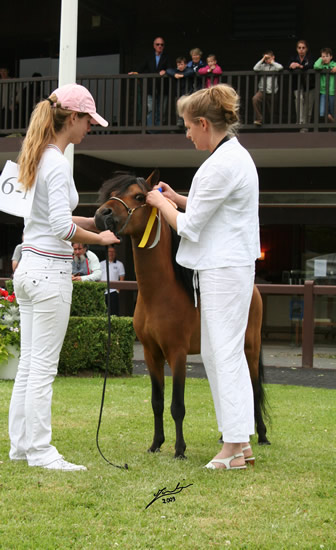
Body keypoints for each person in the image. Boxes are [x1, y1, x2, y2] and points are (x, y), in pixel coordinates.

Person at [146, 84, 260, 470]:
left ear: (202, 123)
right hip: (229, 265)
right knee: (222, 352)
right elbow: (209, 209)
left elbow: (190, 226)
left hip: (223, 268)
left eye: (187, 127)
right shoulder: (231, 157)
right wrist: (177, 198)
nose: (186, 134)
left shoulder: (222, 163)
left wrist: (160, 203)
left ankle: (232, 445)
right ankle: (241, 442)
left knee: (222, 353)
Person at [9, 83, 120, 471]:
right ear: (72, 118)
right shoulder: (56, 162)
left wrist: (90, 220)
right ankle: (41, 451)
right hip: (49, 272)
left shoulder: (37, 157)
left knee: (28, 365)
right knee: (42, 367)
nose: (90, 127)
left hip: (28, 270)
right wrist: (99, 236)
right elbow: (58, 225)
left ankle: (21, 446)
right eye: (88, 120)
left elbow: (44, 219)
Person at [129, 37, 170, 127]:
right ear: (154, 46)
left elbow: (171, 68)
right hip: (151, 88)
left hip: (163, 88)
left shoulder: (167, 57)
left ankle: (159, 129)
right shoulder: (149, 57)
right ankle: (151, 129)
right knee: (151, 109)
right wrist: (135, 72)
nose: (160, 46)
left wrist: (166, 71)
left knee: (161, 110)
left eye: (162, 45)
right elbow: (141, 67)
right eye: (157, 44)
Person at [287, 40, 315, 131]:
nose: (301, 50)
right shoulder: (294, 58)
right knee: (299, 100)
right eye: (299, 48)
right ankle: (300, 122)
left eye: (303, 48)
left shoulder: (310, 57)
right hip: (297, 85)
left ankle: (305, 127)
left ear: (306, 49)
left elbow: (311, 65)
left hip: (309, 84)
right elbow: (288, 66)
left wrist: (299, 66)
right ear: (297, 49)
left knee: (308, 105)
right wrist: (291, 66)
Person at [252, 50, 283, 126]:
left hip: (272, 91)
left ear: (273, 57)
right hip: (263, 90)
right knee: (255, 99)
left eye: (268, 58)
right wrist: (262, 59)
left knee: (272, 110)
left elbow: (280, 68)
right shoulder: (263, 66)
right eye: (266, 58)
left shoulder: (275, 66)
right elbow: (255, 68)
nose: (267, 60)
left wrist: (272, 62)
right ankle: (259, 119)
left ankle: (274, 124)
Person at [167, 57, 194, 127]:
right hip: (178, 93)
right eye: (178, 65)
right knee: (179, 108)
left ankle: (188, 124)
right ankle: (180, 123)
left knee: (187, 109)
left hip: (187, 93)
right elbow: (168, 70)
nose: (180, 66)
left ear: (185, 64)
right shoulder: (176, 71)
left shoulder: (188, 70)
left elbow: (191, 72)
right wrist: (174, 75)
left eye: (181, 64)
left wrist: (182, 75)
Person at [100, 245, 125, 316]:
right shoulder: (101, 264)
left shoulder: (119, 264)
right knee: (103, 311)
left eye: (113, 252)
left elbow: (122, 278)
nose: (111, 253)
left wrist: (118, 291)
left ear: (115, 253)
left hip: (113, 292)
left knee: (114, 312)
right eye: (109, 252)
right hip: (103, 291)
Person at [314, 48, 336, 123]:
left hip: (333, 91)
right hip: (323, 91)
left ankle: (331, 127)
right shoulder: (321, 65)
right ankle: (334, 123)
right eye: (323, 56)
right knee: (322, 112)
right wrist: (320, 59)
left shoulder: (334, 65)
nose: (325, 58)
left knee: (332, 112)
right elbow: (316, 66)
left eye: (327, 56)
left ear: (331, 57)